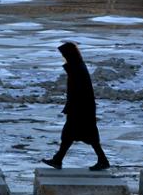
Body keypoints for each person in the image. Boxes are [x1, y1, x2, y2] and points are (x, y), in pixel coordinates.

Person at [42, 42, 110, 171]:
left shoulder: (76, 68)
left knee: (76, 135)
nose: (63, 56)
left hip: (80, 110)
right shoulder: (77, 67)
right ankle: (59, 159)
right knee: (75, 135)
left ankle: (59, 160)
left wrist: (71, 107)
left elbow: (78, 92)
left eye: (64, 54)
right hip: (82, 109)